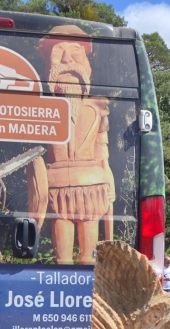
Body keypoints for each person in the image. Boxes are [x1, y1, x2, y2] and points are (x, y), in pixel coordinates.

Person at [27, 25, 115, 265]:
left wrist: (108, 178)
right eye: (58, 52)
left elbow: (102, 149)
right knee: (62, 258)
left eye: (75, 52)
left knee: (89, 257)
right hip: (57, 192)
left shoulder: (98, 107)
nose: (66, 60)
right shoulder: (40, 110)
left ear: (87, 65)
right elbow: (34, 155)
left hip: (92, 189)